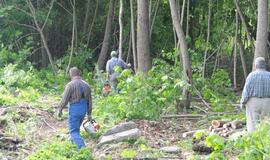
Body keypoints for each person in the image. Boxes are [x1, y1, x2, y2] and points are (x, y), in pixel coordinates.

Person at [58, 67, 92, 149]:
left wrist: (60, 110)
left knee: (73, 131)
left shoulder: (70, 85)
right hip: (84, 109)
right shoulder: (86, 85)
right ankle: (73, 145)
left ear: (71, 75)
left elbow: (64, 99)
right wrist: (89, 114)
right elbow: (90, 101)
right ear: (79, 73)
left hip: (75, 109)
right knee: (76, 128)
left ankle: (82, 149)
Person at [240, 57, 270, 132]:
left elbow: (246, 91)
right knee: (266, 124)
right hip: (267, 102)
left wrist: (242, 102)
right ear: (265, 65)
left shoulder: (251, 75)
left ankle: (253, 140)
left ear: (256, 65)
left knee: (252, 123)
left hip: (253, 102)